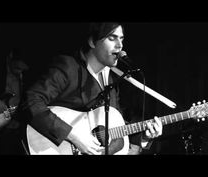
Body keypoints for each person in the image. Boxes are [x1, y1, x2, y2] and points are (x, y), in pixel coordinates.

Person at [20, 22, 163, 155]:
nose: (120, 46)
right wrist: (73, 136)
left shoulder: (111, 81)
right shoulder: (68, 67)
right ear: (92, 42)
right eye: (112, 38)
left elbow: (114, 132)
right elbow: (31, 101)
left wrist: (143, 137)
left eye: (121, 39)